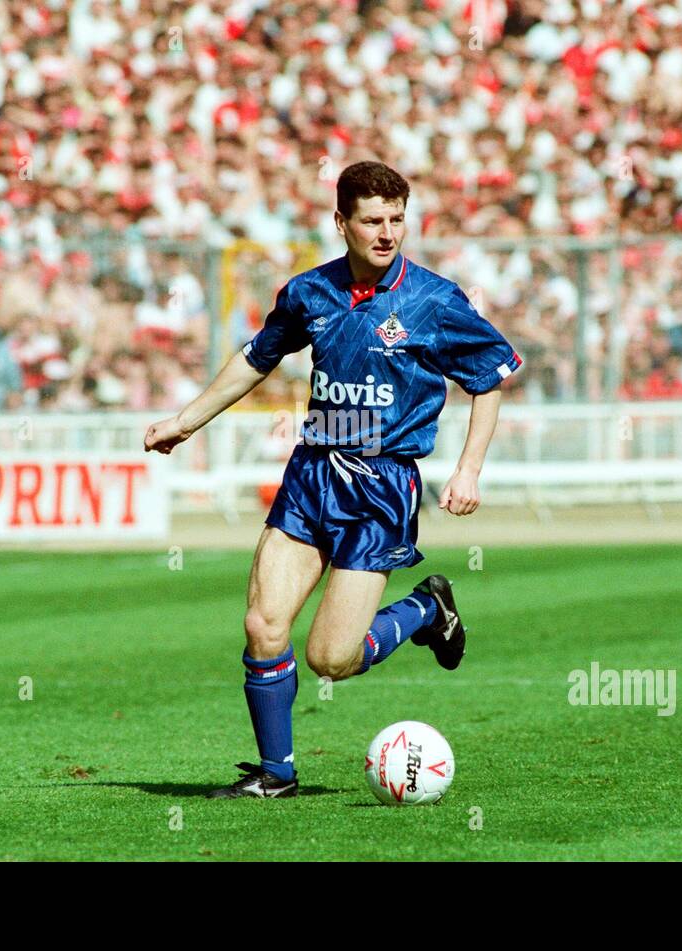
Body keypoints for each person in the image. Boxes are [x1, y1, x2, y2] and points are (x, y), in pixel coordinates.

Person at [144, 162, 523, 798]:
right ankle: (276, 774)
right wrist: (187, 421)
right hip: (312, 473)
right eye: (373, 220)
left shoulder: (434, 300)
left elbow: (489, 379)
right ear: (340, 222)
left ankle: (428, 607)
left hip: (381, 488)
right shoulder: (308, 294)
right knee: (264, 624)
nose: (387, 233)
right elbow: (254, 361)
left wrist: (468, 469)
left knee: (331, 659)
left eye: (397, 219)